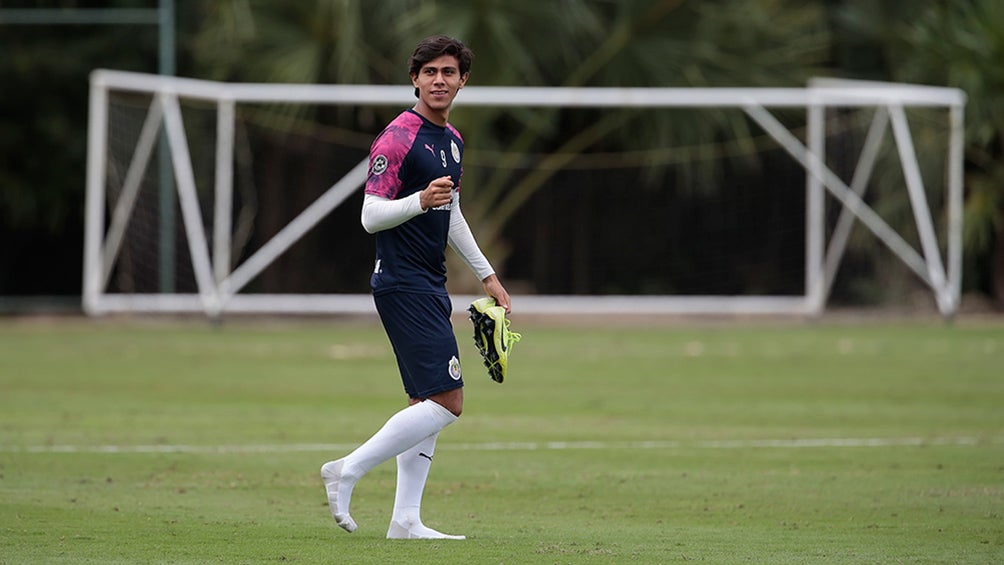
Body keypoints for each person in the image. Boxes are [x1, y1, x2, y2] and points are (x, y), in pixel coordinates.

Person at [320, 35, 511, 540]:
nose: (439, 81)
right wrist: (420, 201)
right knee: (448, 401)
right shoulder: (398, 137)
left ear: (463, 80)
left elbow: (453, 214)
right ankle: (348, 469)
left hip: (429, 281)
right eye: (430, 72)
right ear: (415, 79)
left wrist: (487, 274)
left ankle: (405, 520)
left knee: (423, 404)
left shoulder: (452, 141)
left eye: (449, 72)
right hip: (401, 282)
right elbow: (369, 216)